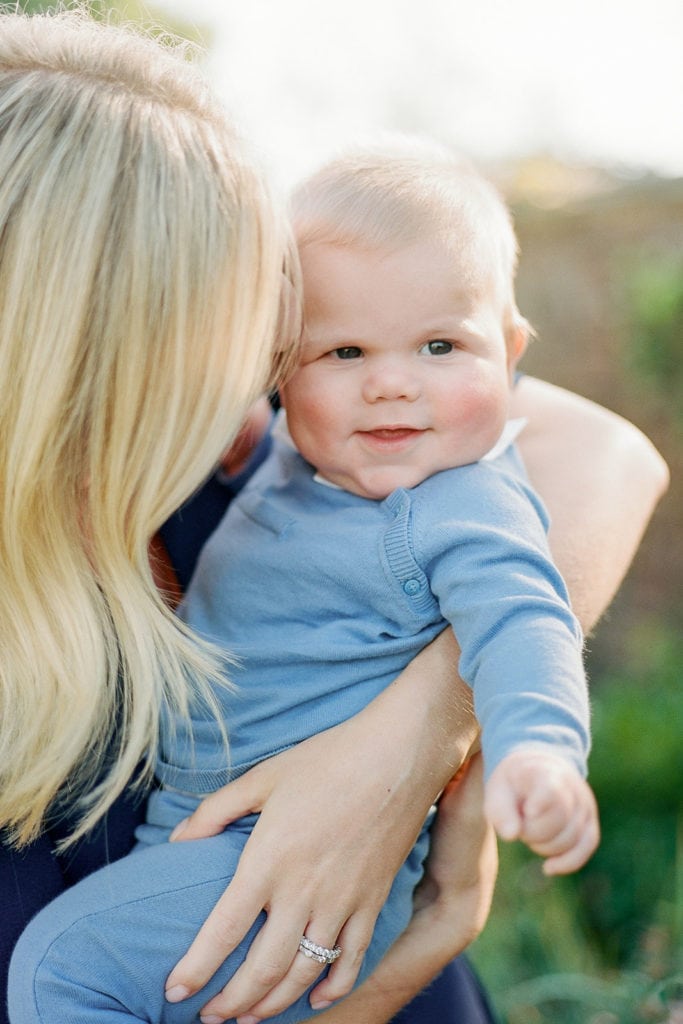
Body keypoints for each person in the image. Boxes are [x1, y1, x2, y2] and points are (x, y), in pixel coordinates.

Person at [0, 8, 669, 1024]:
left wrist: (405, 744)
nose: (262, 403)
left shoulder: (308, 455)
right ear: (70, 374)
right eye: (227, 351)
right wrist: (412, 954)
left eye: (277, 343)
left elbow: (605, 459)